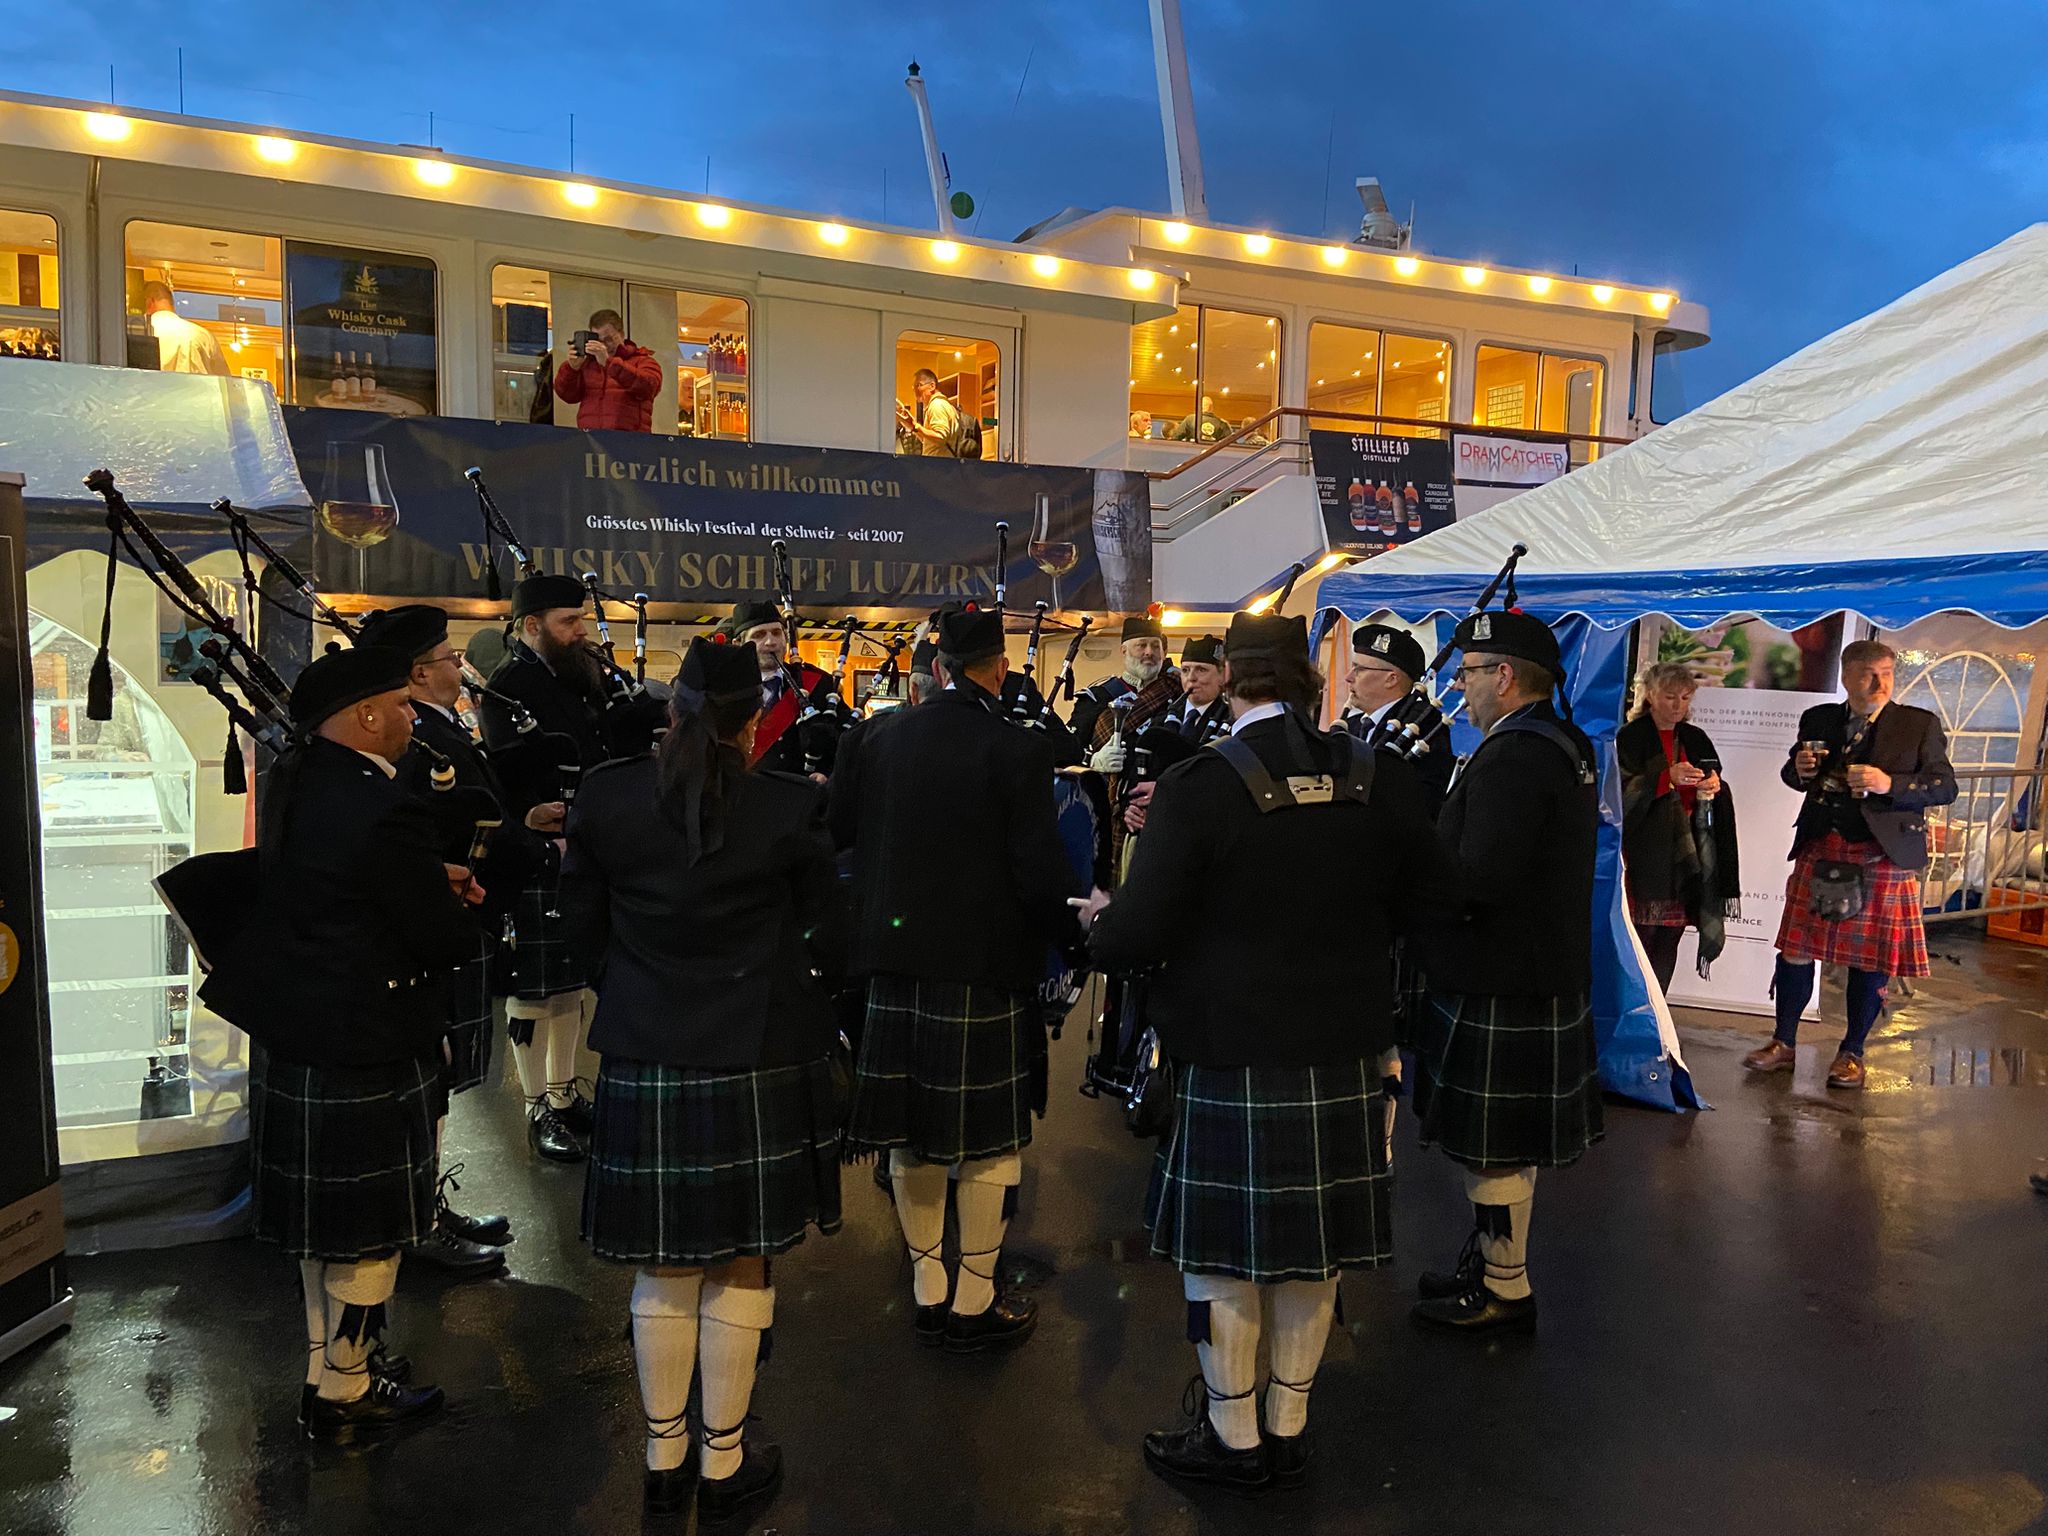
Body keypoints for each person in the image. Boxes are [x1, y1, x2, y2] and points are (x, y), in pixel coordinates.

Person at [1087, 611, 1445, 1494]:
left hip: (1229, 1049)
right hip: (1348, 1049)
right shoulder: (1377, 774)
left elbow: (1137, 935)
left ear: (1233, 681)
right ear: (1310, 680)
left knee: (1223, 1258)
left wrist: (1103, 920)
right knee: (1313, 1253)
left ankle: (1233, 1433)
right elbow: (1430, 903)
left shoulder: (1200, 784)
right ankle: (1288, 1424)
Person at [561, 635, 844, 1521]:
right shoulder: (788, 805)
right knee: (742, 1260)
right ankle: (724, 1462)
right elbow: (826, 930)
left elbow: (578, 934)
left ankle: (663, 1457)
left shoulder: (606, 796)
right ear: (753, 723)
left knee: (664, 1262)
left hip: (646, 1050)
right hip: (755, 1055)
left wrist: (635, 993)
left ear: (673, 709)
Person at [199, 646, 484, 1437]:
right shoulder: (384, 804)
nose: (409, 716)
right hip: (368, 1034)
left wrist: (421, 881)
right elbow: (432, 935)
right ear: (364, 715)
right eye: (399, 703)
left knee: (322, 1231)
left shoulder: (296, 779)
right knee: (370, 1232)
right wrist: (457, 906)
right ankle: (348, 1392)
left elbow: (339, 882)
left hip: (300, 1026)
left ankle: (326, 1368)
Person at [832, 605, 1087, 1352]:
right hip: (984, 970)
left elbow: (838, 835)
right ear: (999, 669)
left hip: (892, 966)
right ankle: (974, 1300)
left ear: (938, 668)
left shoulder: (871, 738)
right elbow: (1039, 870)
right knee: (987, 1145)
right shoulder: (1018, 747)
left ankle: (927, 1287)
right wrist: (1075, 940)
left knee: (909, 1134)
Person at [1408, 610, 1602, 1335]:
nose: (1461, 687)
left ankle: (1504, 1288)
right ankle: (1494, 1265)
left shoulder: (1515, 755)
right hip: (1532, 970)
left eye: (1467, 673)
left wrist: (1411, 878)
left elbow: (1480, 877)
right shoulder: (1561, 740)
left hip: (1502, 975)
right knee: (1504, 1146)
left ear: (1505, 676)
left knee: (1495, 1148)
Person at [354, 605, 526, 1277]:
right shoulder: (418, 739)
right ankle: (416, 1218)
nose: (460, 665)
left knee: (440, 1077)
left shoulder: (438, 727)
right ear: (418, 673)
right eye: (450, 656)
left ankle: (424, 1204)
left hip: (453, 912)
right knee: (429, 1076)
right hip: (436, 918)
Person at [1743, 639, 1956, 1089]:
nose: (1879, 684)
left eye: (1886, 674)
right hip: (1822, 845)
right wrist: (1799, 769)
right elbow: (1793, 774)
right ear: (1846, 677)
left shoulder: (1918, 724)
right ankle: (1783, 1043)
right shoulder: (1819, 718)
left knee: (1869, 957)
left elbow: (1944, 786)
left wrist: (1888, 784)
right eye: (1867, 674)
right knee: (1795, 949)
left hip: (1882, 853)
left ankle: (1852, 1052)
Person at [478, 574, 615, 1162]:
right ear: (532, 625)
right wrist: (524, 814)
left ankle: (563, 1092)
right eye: (568, 622)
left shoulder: (577, 675)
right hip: (535, 853)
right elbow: (499, 775)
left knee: (570, 981)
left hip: (581, 844)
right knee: (534, 987)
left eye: (580, 619)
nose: (580, 631)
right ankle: (537, 1105)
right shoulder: (508, 686)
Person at [1616, 663, 1741, 993]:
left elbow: (1715, 778)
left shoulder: (1695, 737)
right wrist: (1664, 778)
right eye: (1670, 696)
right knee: (1641, 935)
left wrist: (1713, 787)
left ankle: (1658, 1009)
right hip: (1646, 854)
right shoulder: (1630, 736)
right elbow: (1616, 794)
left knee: (1670, 935)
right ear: (1650, 695)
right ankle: (1636, 1007)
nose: (1678, 705)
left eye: (1685, 698)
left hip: (1689, 852)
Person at [727, 600, 848, 778]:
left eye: (777, 633)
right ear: (738, 644)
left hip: (800, 789)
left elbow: (847, 739)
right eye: (759, 635)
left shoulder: (818, 684)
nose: (771, 642)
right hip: (740, 789)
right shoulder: (726, 688)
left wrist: (827, 774)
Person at [1067, 613, 1175, 758]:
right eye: (1141, 645)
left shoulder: (1176, 693)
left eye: (1156, 646)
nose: (1149, 652)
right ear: (1124, 651)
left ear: (1164, 653)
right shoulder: (1097, 697)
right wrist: (1094, 761)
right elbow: (1072, 751)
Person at [553, 308, 662, 432]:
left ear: (622, 335)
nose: (603, 345)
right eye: (598, 341)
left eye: (609, 339)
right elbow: (568, 396)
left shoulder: (642, 360)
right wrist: (572, 368)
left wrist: (609, 362)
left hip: (630, 438)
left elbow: (648, 388)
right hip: (590, 437)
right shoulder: (588, 363)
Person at [140, 280, 229, 377]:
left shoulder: (142, 333)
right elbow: (224, 379)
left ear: (149, 302)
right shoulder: (204, 335)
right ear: (171, 303)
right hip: (201, 387)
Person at [895, 368, 964, 457]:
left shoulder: (937, 405)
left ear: (932, 386)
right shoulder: (940, 404)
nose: (916, 390)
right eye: (914, 387)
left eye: (918, 385)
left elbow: (940, 436)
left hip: (939, 463)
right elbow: (930, 441)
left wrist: (917, 427)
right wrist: (912, 426)